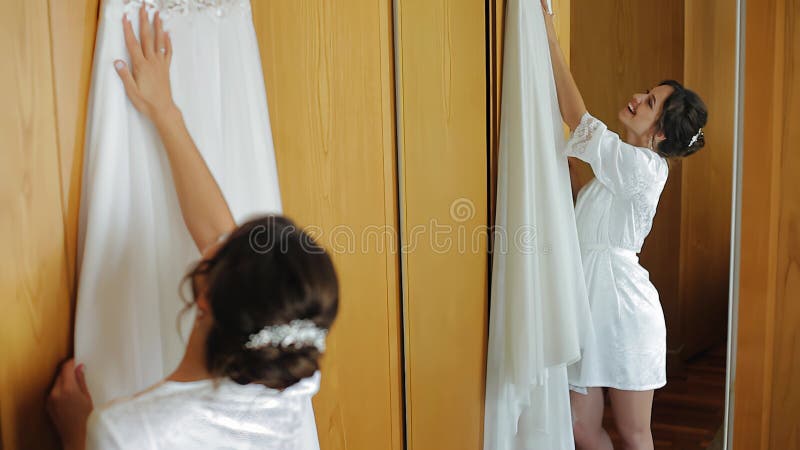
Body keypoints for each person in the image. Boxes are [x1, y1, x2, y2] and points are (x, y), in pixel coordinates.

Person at [46, 7, 339, 450]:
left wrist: (75, 433)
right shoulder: (288, 386)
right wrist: (165, 113)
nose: (221, 238)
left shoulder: (128, 431)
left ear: (205, 296)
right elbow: (217, 233)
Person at [541, 1, 709, 449]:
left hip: (625, 313)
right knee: (578, 426)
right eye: (646, 92)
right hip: (589, 301)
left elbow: (578, 119)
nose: (636, 98)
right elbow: (587, 211)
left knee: (635, 433)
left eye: (649, 102)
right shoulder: (623, 168)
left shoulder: (645, 168)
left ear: (660, 134)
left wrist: (548, 38)